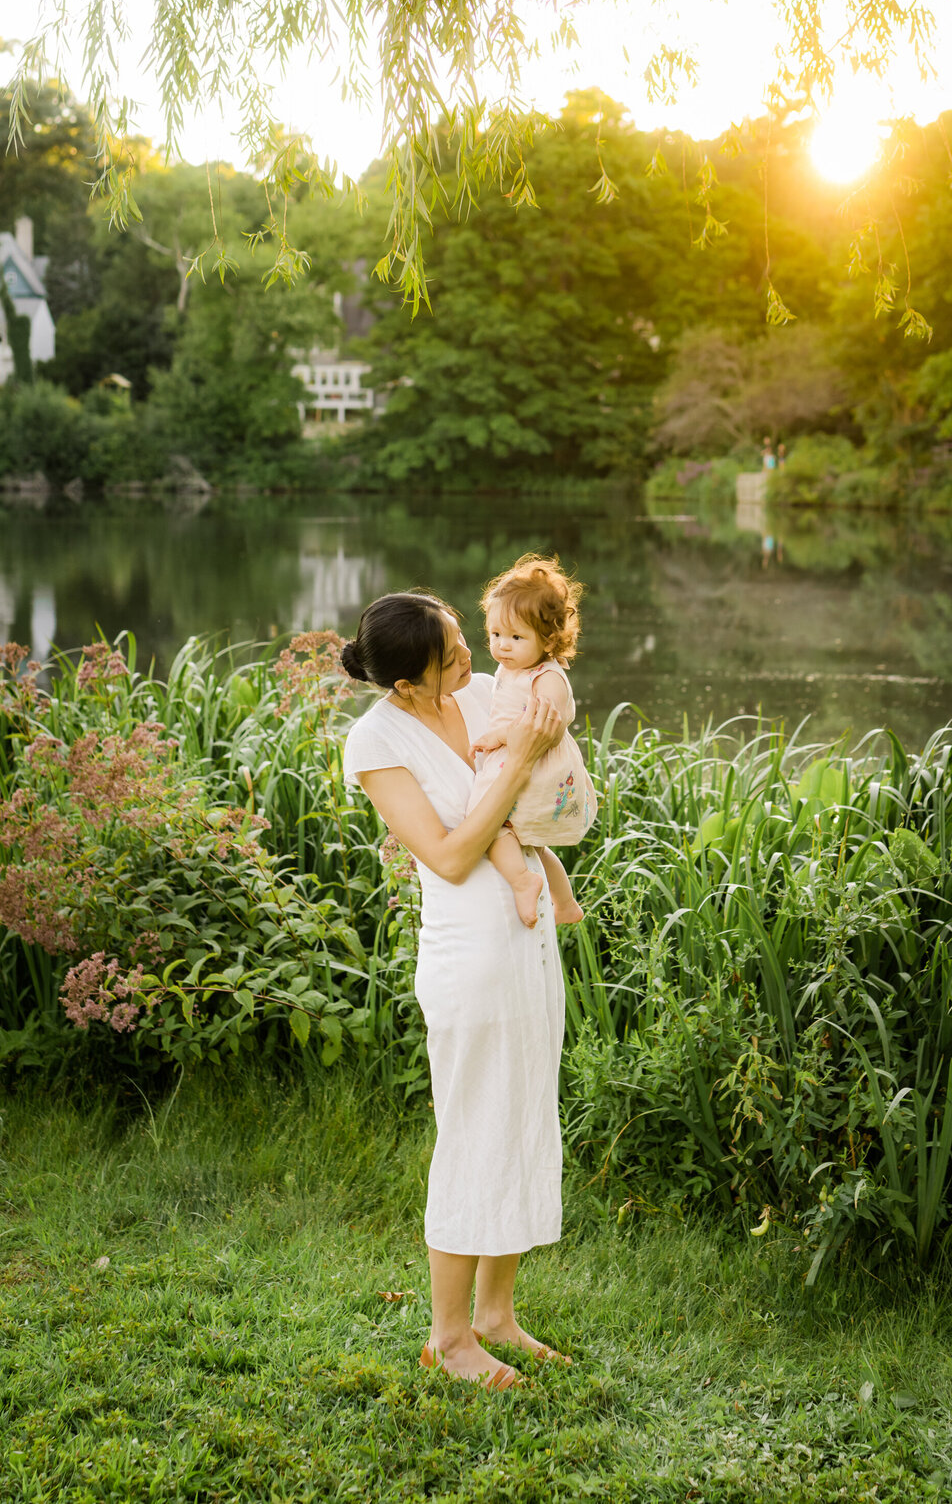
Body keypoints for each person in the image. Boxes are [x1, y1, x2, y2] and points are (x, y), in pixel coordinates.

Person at [340, 590, 572, 1391]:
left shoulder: (483, 689)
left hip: (528, 937)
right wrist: (513, 775)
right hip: (469, 954)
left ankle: (496, 1315)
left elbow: (543, 756)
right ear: (408, 683)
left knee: (520, 1114)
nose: (473, 656)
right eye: (453, 654)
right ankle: (447, 1338)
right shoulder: (376, 742)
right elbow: (447, 855)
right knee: (474, 1126)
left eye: (468, 639)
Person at [468, 554, 595, 929]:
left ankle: (524, 881)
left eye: (516, 637)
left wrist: (497, 736)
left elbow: (544, 727)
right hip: (519, 758)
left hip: (532, 764)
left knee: (488, 825)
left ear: (550, 638)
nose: (502, 646)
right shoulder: (516, 666)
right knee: (533, 844)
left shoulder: (548, 678)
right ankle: (566, 903)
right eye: (495, 635)